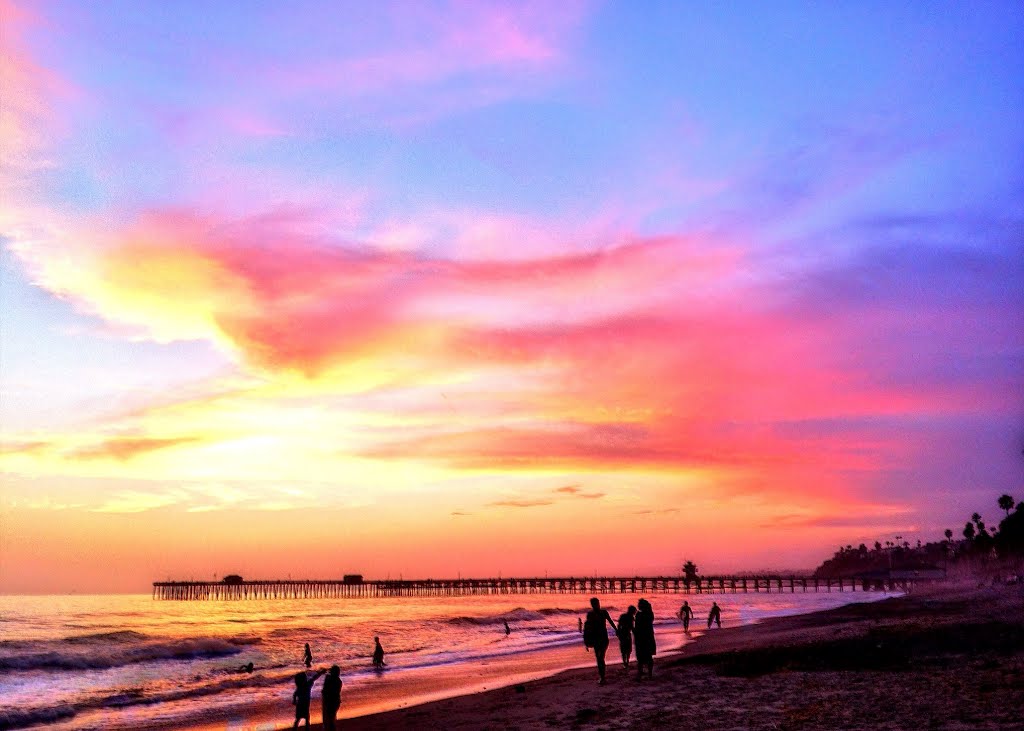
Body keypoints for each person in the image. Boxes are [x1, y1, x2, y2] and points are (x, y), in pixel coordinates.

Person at [582, 597, 617, 685]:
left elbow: (611, 621)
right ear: (592, 605)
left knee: (601, 657)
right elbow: (587, 628)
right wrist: (586, 641)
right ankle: (602, 677)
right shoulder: (590, 614)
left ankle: (602, 677)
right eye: (594, 604)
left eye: (597, 603)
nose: (596, 605)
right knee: (599, 658)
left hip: (604, 638)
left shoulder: (604, 612)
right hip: (595, 639)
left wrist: (617, 630)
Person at [634, 598, 656, 679]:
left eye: (639, 605)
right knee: (649, 656)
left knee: (640, 657)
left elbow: (637, 627)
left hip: (641, 637)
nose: (638, 606)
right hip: (649, 636)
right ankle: (650, 674)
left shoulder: (639, 615)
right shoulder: (650, 614)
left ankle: (640, 674)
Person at [321, 665, 342, 731]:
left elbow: (325, 690)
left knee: (328, 719)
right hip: (336, 701)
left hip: (329, 701)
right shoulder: (339, 681)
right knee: (332, 718)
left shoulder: (329, 679)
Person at [617, 605, 636, 669]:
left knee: (625, 649)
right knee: (627, 649)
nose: (635, 612)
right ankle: (626, 662)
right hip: (625, 633)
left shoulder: (625, 616)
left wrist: (618, 633)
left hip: (623, 633)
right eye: (634, 611)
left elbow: (619, 625)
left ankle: (625, 662)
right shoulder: (630, 617)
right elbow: (632, 627)